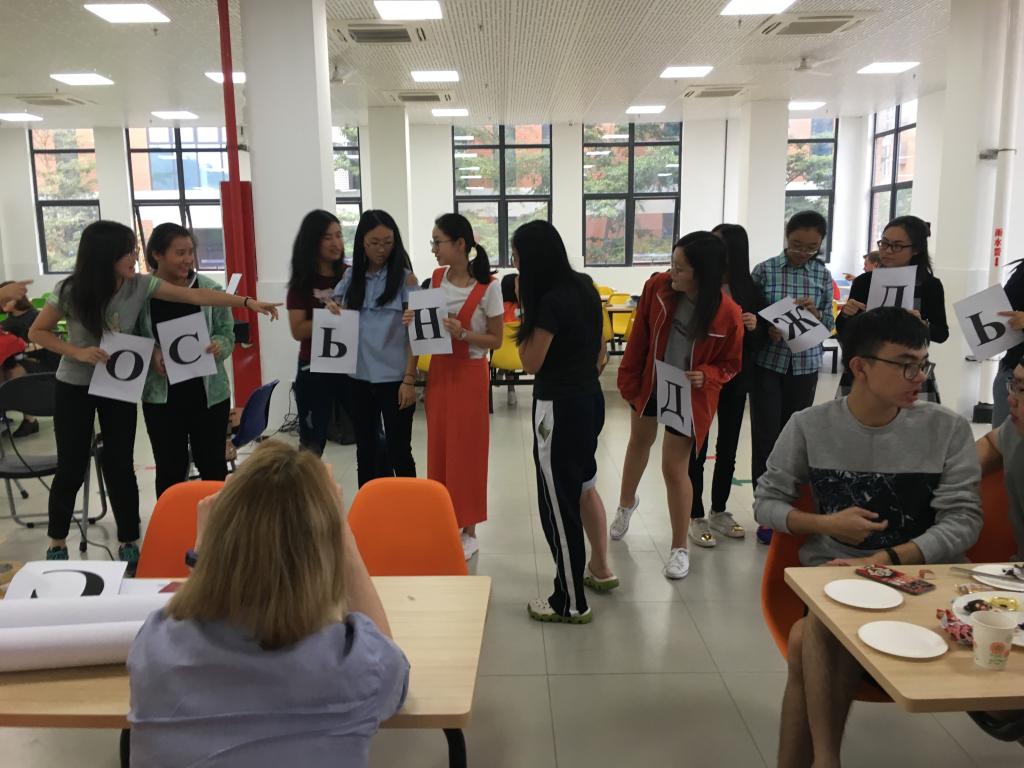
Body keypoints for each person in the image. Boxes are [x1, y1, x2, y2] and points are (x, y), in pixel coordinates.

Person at [753, 307, 982, 768]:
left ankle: (824, 761)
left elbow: (963, 521)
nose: (919, 377)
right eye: (906, 365)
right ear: (859, 367)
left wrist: (887, 558)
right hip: (838, 579)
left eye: (924, 363)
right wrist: (826, 525)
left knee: (805, 639)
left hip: (924, 581)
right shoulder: (810, 426)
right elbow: (765, 504)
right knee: (819, 624)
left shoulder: (947, 428)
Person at [128, 439, 409, 767]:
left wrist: (206, 554)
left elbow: (193, 610)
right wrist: (340, 531)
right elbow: (394, 669)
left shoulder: (155, 649)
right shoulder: (353, 665)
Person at [28, 220, 278, 565]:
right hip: (75, 386)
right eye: (128, 252)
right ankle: (57, 541)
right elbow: (38, 332)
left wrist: (247, 302)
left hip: (118, 384)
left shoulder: (140, 286)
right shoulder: (70, 290)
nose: (135, 257)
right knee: (71, 466)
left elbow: (195, 295)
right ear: (105, 255)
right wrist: (77, 352)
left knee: (120, 464)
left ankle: (128, 539)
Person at [611, 232, 743, 580]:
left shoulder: (727, 313)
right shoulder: (658, 288)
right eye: (672, 264)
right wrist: (628, 380)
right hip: (651, 382)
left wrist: (708, 374)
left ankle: (679, 548)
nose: (672, 273)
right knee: (638, 443)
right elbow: (639, 336)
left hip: (687, 393)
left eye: (680, 269)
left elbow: (731, 364)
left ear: (704, 274)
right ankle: (626, 505)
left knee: (674, 468)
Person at [511, 220, 614, 623]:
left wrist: (525, 307)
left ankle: (570, 602)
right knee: (580, 489)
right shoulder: (583, 286)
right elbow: (601, 347)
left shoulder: (548, 301)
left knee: (558, 505)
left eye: (518, 258)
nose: (515, 266)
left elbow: (530, 362)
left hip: (558, 409)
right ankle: (593, 572)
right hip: (589, 399)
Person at [404, 213, 502, 560]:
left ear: (460, 244)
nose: (433, 248)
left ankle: (469, 529)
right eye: (432, 242)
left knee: (468, 452)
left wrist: (464, 333)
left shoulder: (489, 287)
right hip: (441, 373)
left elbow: (496, 340)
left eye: (438, 242)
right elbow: (422, 333)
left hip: (470, 374)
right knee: (440, 448)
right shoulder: (435, 279)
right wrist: (412, 321)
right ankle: (445, 519)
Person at [749, 210, 836, 546]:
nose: (802, 252)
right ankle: (764, 512)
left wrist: (817, 314)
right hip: (768, 365)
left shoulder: (821, 274)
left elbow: (829, 324)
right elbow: (750, 316)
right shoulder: (765, 270)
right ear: (787, 236)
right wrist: (766, 329)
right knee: (766, 438)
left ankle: (790, 510)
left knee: (795, 440)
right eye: (797, 244)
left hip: (805, 365)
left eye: (811, 247)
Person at [135, 223, 235, 497]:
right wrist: (151, 353)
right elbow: (130, 337)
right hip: (162, 397)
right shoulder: (142, 295)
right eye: (180, 253)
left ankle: (216, 522)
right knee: (170, 469)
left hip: (208, 396)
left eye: (191, 252)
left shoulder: (209, 289)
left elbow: (227, 333)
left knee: (212, 466)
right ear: (157, 254)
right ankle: (172, 519)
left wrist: (219, 345)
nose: (188, 259)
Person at [687, 223, 764, 547]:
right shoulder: (699, 285)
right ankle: (695, 513)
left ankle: (719, 509)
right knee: (696, 448)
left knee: (728, 448)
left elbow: (761, 340)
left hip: (735, 378)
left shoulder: (749, 288)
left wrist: (754, 326)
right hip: (701, 380)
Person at [331, 210, 418, 487]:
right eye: (375, 243)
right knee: (365, 452)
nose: (382, 249)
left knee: (399, 452)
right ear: (362, 243)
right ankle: (369, 507)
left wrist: (409, 379)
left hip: (395, 380)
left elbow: (416, 335)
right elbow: (334, 310)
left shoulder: (406, 279)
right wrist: (332, 309)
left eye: (388, 242)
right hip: (359, 378)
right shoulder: (350, 278)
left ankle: (409, 507)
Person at [836, 215, 947, 402]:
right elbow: (844, 330)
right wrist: (847, 315)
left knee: (914, 418)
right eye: (884, 243)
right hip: (868, 365)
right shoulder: (864, 282)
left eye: (896, 246)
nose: (887, 250)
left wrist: (923, 324)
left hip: (910, 368)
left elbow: (942, 333)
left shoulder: (930, 285)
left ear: (916, 249)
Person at [286, 209, 352, 456]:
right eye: (328, 237)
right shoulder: (301, 283)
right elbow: (297, 330)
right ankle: (307, 482)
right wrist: (327, 318)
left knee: (370, 434)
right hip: (313, 368)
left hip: (351, 366)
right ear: (313, 241)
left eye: (339, 235)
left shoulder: (351, 275)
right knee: (311, 445)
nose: (336, 243)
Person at [977, 359, 1024, 557]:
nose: (1011, 399)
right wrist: (951, 478)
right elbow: (992, 443)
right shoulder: (1015, 429)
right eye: (1013, 385)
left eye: (1022, 390)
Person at [0, 281, 59, 437]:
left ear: (17, 298)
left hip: (46, 363)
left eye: (6, 298)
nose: (3, 302)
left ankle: (30, 420)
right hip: (22, 360)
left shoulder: (36, 317)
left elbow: (50, 343)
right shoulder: (6, 323)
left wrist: (23, 350)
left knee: (14, 371)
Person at [992, 261, 1024, 428]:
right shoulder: (1022, 272)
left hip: (1012, 372)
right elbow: (1002, 310)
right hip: (1013, 371)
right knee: (1004, 439)